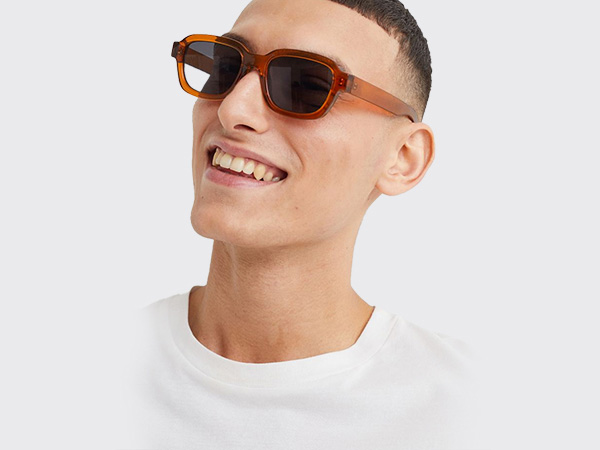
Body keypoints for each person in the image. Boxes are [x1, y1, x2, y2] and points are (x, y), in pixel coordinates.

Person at [124, 0, 485, 448]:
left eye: (305, 86)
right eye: (226, 68)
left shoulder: (472, 411)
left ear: (402, 158)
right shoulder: (84, 371)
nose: (233, 109)